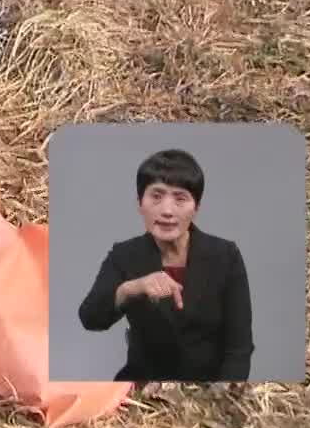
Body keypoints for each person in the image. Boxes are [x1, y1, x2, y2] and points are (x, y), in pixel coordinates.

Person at [77, 149, 254, 383]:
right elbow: (90, 318)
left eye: (180, 198)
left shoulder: (225, 256)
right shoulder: (124, 255)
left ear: (196, 207)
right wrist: (132, 288)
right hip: (143, 393)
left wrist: (222, 401)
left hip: (208, 393)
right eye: (156, 196)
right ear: (140, 203)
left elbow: (239, 349)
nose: (167, 211)